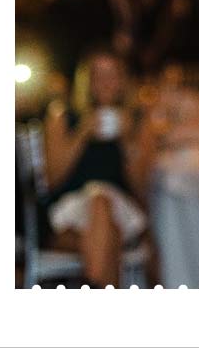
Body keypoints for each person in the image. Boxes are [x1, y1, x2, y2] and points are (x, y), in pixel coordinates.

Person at [42, 47, 156, 287]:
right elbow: (52, 179)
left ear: (124, 81)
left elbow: (141, 186)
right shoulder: (62, 117)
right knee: (104, 226)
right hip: (69, 214)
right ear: (86, 81)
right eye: (98, 75)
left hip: (123, 211)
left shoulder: (138, 121)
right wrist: (82, 132)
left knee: (101, 203)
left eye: (112, 75)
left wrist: (126, 140)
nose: (105, 83)